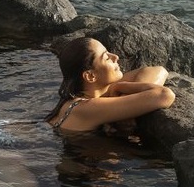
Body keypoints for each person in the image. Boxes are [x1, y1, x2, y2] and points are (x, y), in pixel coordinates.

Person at [45, 36, 175, 133]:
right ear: (90, 76)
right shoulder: (84, 108)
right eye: (106, 57)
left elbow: (158, 71)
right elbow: (165, 95)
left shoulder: (89, 93)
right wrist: (121, 89)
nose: (115, 57)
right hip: (80, 167)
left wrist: (119, 89)